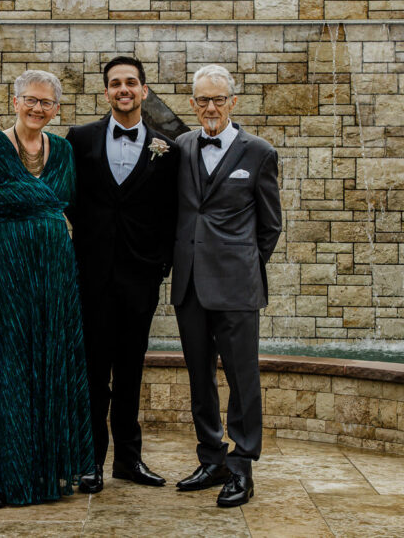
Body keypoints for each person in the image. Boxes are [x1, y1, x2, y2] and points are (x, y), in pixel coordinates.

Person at [0, 69, 94, 508]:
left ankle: (47, 472)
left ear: (57, 109)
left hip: (55, 278)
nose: (38, 109)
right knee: (9, 373)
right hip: (6, 279)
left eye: (47, 103)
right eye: (30, 100)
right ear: (14, 101)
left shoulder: (65, 151)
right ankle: (0, 480)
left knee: (51, 366)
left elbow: (71, 207)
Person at [66, 56, 180, 494]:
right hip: (91, 275)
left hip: (140, 278)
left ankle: (128, 461)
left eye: (131, 82)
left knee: (131, 370)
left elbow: (171, 211)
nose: (123, 89)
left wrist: (159, 264)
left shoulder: (166, 147)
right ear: (107, 92)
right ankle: (90, 462)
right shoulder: (79, 139)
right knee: (94, 372)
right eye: (115, 84)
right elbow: (69, 198)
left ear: (144, 90)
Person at [171, 64, 282, 508]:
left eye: (218, 99)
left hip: (237, 287)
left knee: (242, 379)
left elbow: (270, 226)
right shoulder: (179, 147)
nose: (210, 107)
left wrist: (244, 266)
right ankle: (211, 457)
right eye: (202, 100)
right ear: (193, 104)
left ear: (233, 102)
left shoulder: (259, 152)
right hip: (190, 285)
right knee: (200, 377)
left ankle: (242, 467)